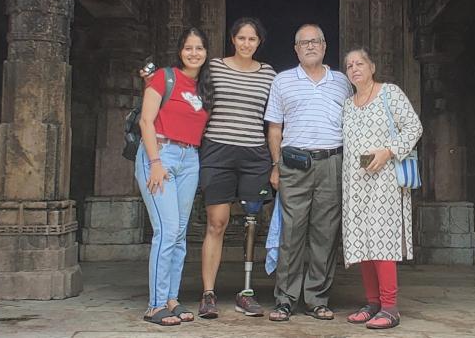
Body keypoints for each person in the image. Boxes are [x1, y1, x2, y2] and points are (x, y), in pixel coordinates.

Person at [264, 24, 352, 322]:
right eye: (304, 43)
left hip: (332, 163)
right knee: (292, 233)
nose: (310, 46)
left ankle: (316, 298)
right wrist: (276, 165)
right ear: (296, 49)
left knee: (325, 234)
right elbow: (275, 128)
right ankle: (285, 299)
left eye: (316, 41)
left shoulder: (342, 81)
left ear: (325, 46)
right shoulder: (283, 81)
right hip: (293, 164)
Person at [197, 17, 276, 318]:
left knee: (252, 224)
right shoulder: (215, 67)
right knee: (217, 221)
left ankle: (246, 292)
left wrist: (275, 161)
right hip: (218, 151)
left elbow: (275, 118)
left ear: (259, 42)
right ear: (233, 39)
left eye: (252, 39)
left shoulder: (268, 73)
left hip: (255, 154)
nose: (246, 44)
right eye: (241, 38)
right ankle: (208, 294)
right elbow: (196, 101)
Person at [340, 48, 423, 329]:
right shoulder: (348, 104)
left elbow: (414, 127)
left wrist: (389, 151)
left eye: (359, 63)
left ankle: (389, 307)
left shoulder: (390, 93)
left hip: (385, 181)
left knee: (381, 241)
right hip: (355, 181)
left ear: (372, 66)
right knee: (362, 242)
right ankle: (372, 303)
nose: (354, 68)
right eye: (349, 65)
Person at [135, 28, 213, 326]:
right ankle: (155, 305)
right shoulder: (164, 77)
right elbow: (145, 120)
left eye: (200, 48)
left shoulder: (203, 86)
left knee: (180, 233)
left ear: (206, 53)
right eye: (189, 48)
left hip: (189, 158)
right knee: (166, 231)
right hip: (160, 153)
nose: (194, 53)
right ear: (180, 51)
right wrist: (155, 162)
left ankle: (170, 298)